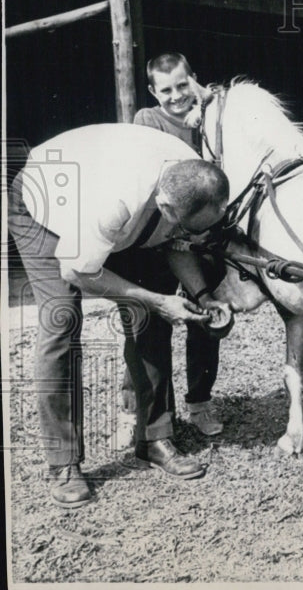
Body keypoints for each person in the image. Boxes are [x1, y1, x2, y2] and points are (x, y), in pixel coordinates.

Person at [8, 124, 230, 507]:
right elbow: (76, 271)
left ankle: (155, 437)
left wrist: (202, 294)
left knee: (153, 317)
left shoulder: (189, 178)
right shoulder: (117, 201)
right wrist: (155, 299)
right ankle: (64, 463)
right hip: (43, 204)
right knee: (61, 322)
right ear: (165, 209)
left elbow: (176, 242)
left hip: (119, 212)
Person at [122, 52, 223, 436]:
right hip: (158, 234)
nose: (177, 95)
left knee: (205, 313)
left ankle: (200, 402)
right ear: (152, 91)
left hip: (201, 233)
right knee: (148, 322)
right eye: (166, 90)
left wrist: (210, 100)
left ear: (193, 79)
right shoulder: (147, 120)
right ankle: (134, 405)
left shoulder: (210, 117)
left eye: (183, 85)